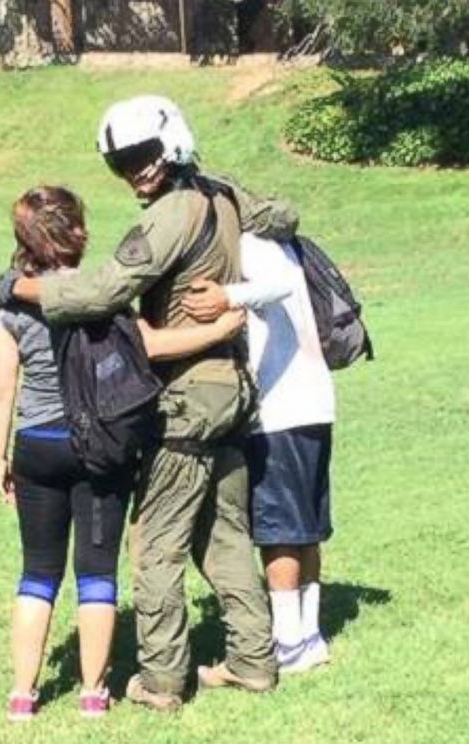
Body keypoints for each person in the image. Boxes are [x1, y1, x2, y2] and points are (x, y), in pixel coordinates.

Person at [0, 96, 300, 710]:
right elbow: (286, 215)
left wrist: (20, 286)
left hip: (184, 398)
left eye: (141, 155)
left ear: (171, 144)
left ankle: (160, 682)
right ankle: (253, 661)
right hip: (233, 392)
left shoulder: (170, 215)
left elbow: (105, 291)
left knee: (156, 544)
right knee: (224, 535)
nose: (134, 171)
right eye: (120, 162)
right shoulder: (223, 193)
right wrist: (240, 292)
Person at [0, 185, 250, 722]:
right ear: (76, 233)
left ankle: (22, 695)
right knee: (96, 572)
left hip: (36, 445)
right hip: (99, 446)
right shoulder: (98, 291)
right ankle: (92, 693)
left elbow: (0, 385)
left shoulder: (9, 299)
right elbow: (149, 346)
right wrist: (220, 329)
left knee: (37, 573)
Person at [183, 232, 337, 673]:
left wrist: (226, 296)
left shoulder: (248, 244)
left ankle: (288, 642)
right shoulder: (278, 240)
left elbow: (283, 283)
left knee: (280, 529)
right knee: (304, 527)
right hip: (312, 401)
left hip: (280, 409)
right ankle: (308, 636)